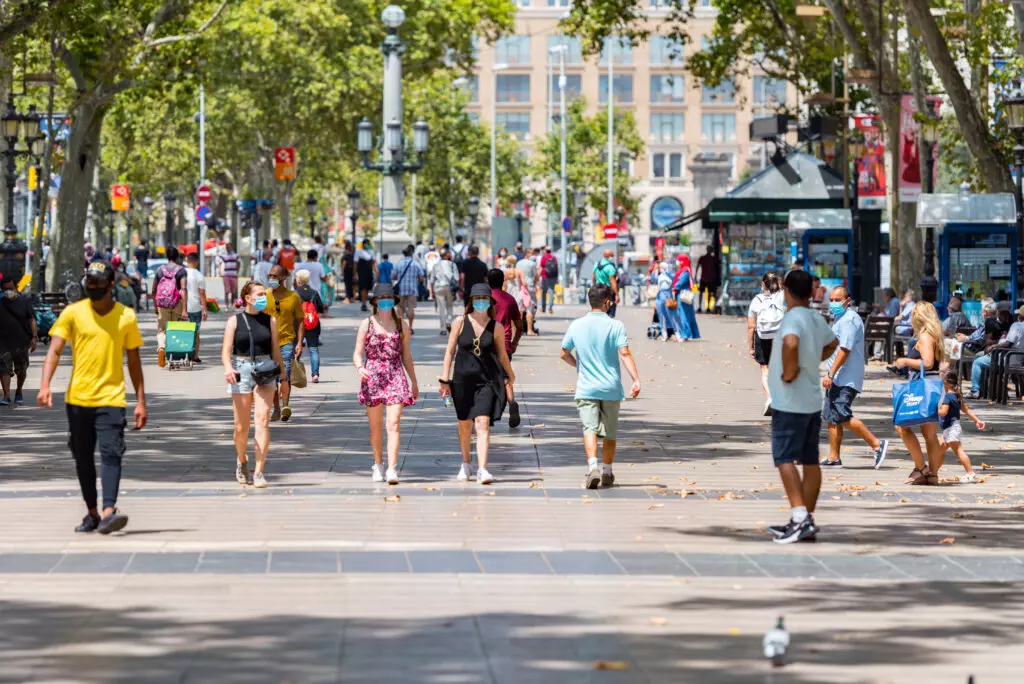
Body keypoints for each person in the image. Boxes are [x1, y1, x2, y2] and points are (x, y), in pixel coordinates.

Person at [37, 261, 146, 534]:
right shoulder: (73, 313)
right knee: (83, 458)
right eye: (90, 282)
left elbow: (134, 361)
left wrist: (141, 401)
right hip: (78, 399)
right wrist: (44, 385)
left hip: (112, 398)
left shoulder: (126, 316)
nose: (93, 287)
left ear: (111, 285)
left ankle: (109, 510)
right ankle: (92, 513)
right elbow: (54, 350)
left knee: (111, 454)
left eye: (98, 283)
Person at [766, 269, 838, 544]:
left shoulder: (792, 318)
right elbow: (833, 343)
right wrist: (814, 359)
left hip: (789, 400)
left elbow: (791, 342)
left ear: (785, 290)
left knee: (783, 458)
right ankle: (806, 518)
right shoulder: (815, 317)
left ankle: (798, 517)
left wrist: (789, 371)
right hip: (810, 401)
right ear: (811, 292)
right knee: (809, 460)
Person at [560, 284, 642, 489]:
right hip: (611, 388)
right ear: (607, 303)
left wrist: (579, 364)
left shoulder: (577, 325)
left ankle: (592, 467)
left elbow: (563, 353)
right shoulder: (616, 326)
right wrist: (636, 379)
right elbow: (625, 354)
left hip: (586, 387)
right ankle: (607, 472)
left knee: (589, 429)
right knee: (610, 433)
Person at [438, 283, 516, 485]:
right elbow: (449, 351)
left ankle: (482, 469)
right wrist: (445, 379)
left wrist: (510, 374)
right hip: (462, 381)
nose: (481, 303)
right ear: (471, 301)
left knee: (482, 423)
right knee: (464, 424)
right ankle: (466, 463)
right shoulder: (460, 322)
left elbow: (502, 354)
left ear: (490, 302)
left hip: (486, 381)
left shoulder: (496, 327)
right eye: (477, 299)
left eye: (485, 300)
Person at [221, 281, 284, 489]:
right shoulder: (234, 321)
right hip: (241, 369)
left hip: (266, 369)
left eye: (263, 293)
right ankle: (242, 460)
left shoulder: (271, 321)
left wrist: (283, 376)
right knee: (241, 426)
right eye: (259, 294)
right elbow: (226, 351)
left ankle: (259, 471)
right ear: (248, 298)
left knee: (263, 420)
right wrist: (228, 368)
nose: (263, 297)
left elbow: (276, 349)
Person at [353, 284, 418, 484]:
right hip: (372, 377)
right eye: (383, 298)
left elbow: (406, 356)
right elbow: (357, 353)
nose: (386, 302)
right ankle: (378, 464)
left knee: (393, 423)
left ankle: (392, 468)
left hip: (395, 375)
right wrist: (360, 368)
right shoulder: (367, 323)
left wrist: (413, 382)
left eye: (390, 298)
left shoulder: (402, 325)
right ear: (375, 301)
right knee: (375, 426)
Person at [819, 286, 889, 469]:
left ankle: (876, 444)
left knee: (841, 414)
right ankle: (834, 457)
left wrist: (830, 373)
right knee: (831, 417)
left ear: (847, 300)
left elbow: (845, 350)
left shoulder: (849, 320)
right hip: (837, 377)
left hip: (845, 377)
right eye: (831, 300)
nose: (833, 303)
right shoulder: (840, 318)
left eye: (837, 300)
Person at [891, 302, 946, 485]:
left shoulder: (924, 336)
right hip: (933, 385)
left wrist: (905, 360)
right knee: (929, 434)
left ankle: (921, 467)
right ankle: (932, 475)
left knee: (902, 426)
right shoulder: (935, 335)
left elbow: (928, 363)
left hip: (923, 387)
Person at [265, 265, 304, 422]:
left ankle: (285, 406)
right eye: (270, 276)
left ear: (283, 278)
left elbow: (300, 321)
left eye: (275, 276)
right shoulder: (264, 296)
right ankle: (276, 407)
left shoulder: (293, 297)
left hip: (287, 341)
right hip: (267, 342)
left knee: (285, 375)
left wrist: (300, 342)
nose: (272, 279)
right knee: (271, 378)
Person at [488, 268, 523, 428]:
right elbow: (519, 326)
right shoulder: (509, 300)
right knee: (506, 378)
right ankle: (512, 403)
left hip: (486, 344)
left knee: (485, 378)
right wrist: (514, 342)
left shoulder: (484, 299)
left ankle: (486, 411)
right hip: (505, 344)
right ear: (503, 281)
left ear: (487, 281)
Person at [747, 272, 785, 415]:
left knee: (765, 369)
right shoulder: (782, 297)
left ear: (763, 284)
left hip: (762, 336)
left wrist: (750, 347)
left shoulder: (757, 300)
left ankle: (770, 398)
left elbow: (751, 327)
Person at [937, 370, 985, 483]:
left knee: (958, 450)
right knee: (939, 451)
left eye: (941, 382)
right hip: (951, 427)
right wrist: (977, 420)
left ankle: (970, 473)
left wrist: (932, 410)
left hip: (951, 428)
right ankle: (932, 472)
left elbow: (943, 412)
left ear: (946, 383)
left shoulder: (948, 397)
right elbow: (966, 410)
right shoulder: (957, 395)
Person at [968, 304, 1024, 398]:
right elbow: (987, 341)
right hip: (1019, 359)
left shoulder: (1016, 325)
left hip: (1006, 358)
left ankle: (975, 390)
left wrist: (995, 346)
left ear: (1020, 316)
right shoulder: (992, 322)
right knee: (980, 356)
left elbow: (1008, 344)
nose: (1005, 316)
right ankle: (989, 390)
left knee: (977, 362)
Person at [0, 273, 38, 406]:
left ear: (15, 288)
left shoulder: (24, 302)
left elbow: (32, 319)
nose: (8, 291)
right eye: (5, 289)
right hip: (3, 342)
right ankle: (6, 395)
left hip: (21, 341)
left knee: (21, 370)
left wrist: (34, 337)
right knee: (3, 368)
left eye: (10, 288)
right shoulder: (1, 302)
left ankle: (19, 391)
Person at [152, 246, 187, 368]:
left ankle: (161, 347)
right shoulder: (181, 270)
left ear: (167, 257)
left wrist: (155, 305)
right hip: (177, 303)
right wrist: (184, 309)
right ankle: (173, 358)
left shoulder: (159, 270)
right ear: (177, 257)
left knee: (162, 330)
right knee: (175, 330)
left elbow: (154, 288)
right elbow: (183, 289)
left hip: (162, 303)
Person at [293, 269, 326, 383]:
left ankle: (295, 374)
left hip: (297, 325)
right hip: (312, 323)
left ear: (298, 281)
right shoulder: (314, 292)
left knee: (296, 348)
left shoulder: (295, 293)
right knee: (313, 349)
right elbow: (321, 308)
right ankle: (315, 375)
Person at [393, 244, 425, 335]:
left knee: (400, 308)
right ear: (411, 254)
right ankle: (410, 327)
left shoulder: (399, 263)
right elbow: (421, 277)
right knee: (411, 308)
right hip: (412, 289)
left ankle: (401, 327)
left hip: (401, 289)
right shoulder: (415, 264)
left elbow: (392, 276)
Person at [182, 252, 208, 363]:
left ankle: (183, 353)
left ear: (186, 260)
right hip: (196, 307)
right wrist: (205, 309)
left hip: (182, 307)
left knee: (183, 331)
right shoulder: (199, 275)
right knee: (196, 332)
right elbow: (202, 294)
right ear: (196, 261)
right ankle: (195, 355)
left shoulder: (181, 273)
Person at [430, 249, 459, 335]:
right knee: (449, 306)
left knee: (441, 308)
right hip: (449, 288)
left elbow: (432, 280)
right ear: (446, 255)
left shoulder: (436, 265)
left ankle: (442, 329)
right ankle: (449, 322)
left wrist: (432, 292)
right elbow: (457, 278)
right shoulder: (452, 265)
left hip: (438, 288)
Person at [672, 253, 700, 340]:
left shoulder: (685, 272)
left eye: (679, 260)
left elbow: (680, 283)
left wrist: (674, 287)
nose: (677, 262)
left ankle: (685, 335)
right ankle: (689, 334)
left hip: (682, 296)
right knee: (687, 315)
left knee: (683, 315)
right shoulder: (685, 270)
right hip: (684, 295)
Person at [654, 261, 682, 341]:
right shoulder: (659, 276)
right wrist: (655, 270)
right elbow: (654, 278)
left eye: (662, 267)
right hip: (660, 297)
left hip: (668, 296)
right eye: (660, 267)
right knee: (661, 316)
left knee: (672, 315)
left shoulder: (670, 275)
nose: (661, 269)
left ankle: (677, 333)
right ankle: (664, 334)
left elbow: (674, 280)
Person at [517, 248, 539, 335]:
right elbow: (536, 276)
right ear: (527, 254)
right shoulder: (532, 264)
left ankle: (519, 330)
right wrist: (534, 284)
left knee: (520, 309)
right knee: (530, 308)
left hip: (520, 288)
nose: (533, 255)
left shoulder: (518, 263)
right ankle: (530, 330)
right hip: (529, 288)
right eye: (532, 253)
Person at [592, 249, 619, 318]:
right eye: (612, 255)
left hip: (598, 290)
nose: (613, 257)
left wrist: (594, 288)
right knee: (610, 313)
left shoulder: (596, 264)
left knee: (599, 310)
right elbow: (613, 282)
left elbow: (593, 278)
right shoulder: (610, 267)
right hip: (608, 291)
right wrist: (616, 294)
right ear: (609, 256)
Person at [695, 245, 720, 314]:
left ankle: (702, 307)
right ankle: (706, 307)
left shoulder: (704, 258)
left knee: (703, 293)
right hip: (709, 279)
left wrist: (695, 276)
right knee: (707, 293)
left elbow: (697, 267)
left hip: (706, 278)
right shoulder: (712, 259)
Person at [218, 243, 240, 309]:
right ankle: (226, 305)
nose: (228, 248)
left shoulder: (235, 255)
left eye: (229, 247)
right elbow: (219, 263)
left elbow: (239, 263)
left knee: (234, 292)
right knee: (227, 291)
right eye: (227, 247)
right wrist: (220, 272)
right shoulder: (223, 255)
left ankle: (232, 304)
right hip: (226, 275)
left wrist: (237, 270)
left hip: (233, 275)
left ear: (231, 247)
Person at [356, 240, 376, 310]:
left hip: (369, 272)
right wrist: (355, 274)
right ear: (363, 244)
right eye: (365, 244)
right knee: (363, 287)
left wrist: (376, 271)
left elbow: (374, 262)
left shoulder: (371, 252)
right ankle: (363, 303)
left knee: (367, 288)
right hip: (361, 272)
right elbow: (355, 263)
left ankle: (364, 302)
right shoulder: (359, 252)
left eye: (368, 244)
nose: (366, 245)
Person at [539, 247, 558, 314]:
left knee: (544, 292)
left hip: (545, 276)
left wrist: (538, 276)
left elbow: (541, 268)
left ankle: (543, 307)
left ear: (545, 251)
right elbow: (556, 268)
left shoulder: (544, 258)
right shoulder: (554, 258)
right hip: (552, 277)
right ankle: (550, 307)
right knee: (551, 291)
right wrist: (556, 278)